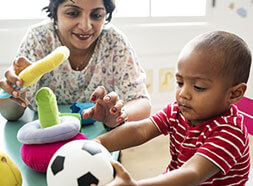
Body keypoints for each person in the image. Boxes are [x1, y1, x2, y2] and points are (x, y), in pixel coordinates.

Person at [93, 31, 252, 185]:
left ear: (234, 93)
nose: (183, 94)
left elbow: (193, 173)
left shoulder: (230, 133)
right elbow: (141, 130)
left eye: (198, 87)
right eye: (180, 83)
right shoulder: (178, 110)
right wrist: (98, 142)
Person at [0, 0, 151, 127]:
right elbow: (10, 114)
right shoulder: (38, 38)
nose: (85, 26)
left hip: (99, 139)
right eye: (72, 13)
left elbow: (141, 102)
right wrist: (15, 90)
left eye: (97, 15)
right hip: (44, 132)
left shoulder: (113, 42)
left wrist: (117, 115)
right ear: (55, 12)